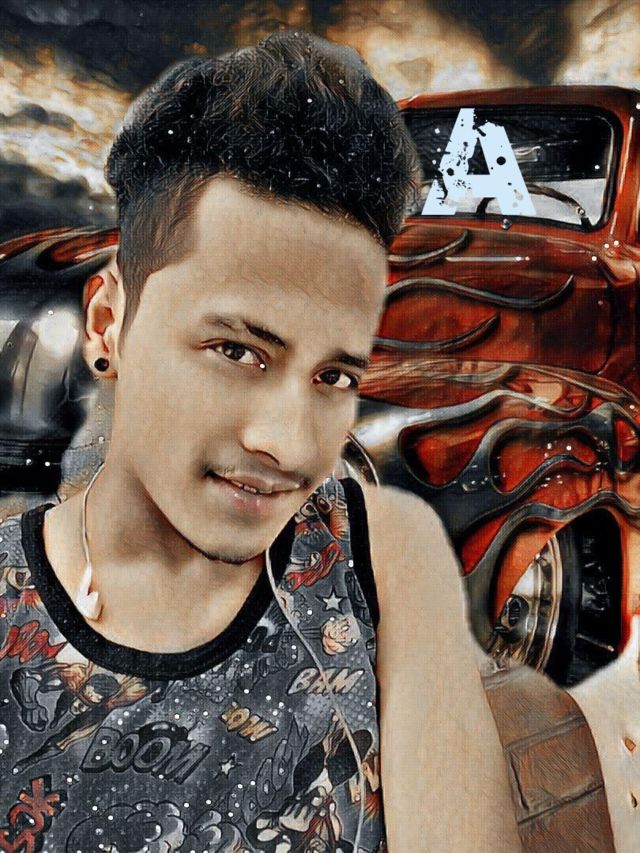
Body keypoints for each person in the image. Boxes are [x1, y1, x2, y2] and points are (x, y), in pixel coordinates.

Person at [0, 31, 521, 852]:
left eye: (333, 376)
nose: (290, 444)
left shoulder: (378, 554)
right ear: (108, 323)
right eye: (237, 351)